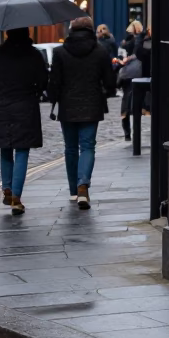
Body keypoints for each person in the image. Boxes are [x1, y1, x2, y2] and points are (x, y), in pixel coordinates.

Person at [48, 16, 116, 209]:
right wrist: (106, 91)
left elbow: (54, 82)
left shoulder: (60, 52)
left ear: (71, 30)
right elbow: (110, 82)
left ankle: (73, 191)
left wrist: (53, 97)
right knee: (87, 147)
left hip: (67, 106)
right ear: (90, 30)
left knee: (70, 148)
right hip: (92, 105)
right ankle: (83, 185)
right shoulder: (100, 52)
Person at [0, 27, 48, 216]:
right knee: (21, 150)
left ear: (7, 34)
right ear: (27, 33)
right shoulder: (33, 54)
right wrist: (35, 92)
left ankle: (7, 188)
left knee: (6, 148)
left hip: (2, 105)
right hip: (25, 105)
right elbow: (44, 80)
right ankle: (17, 198)